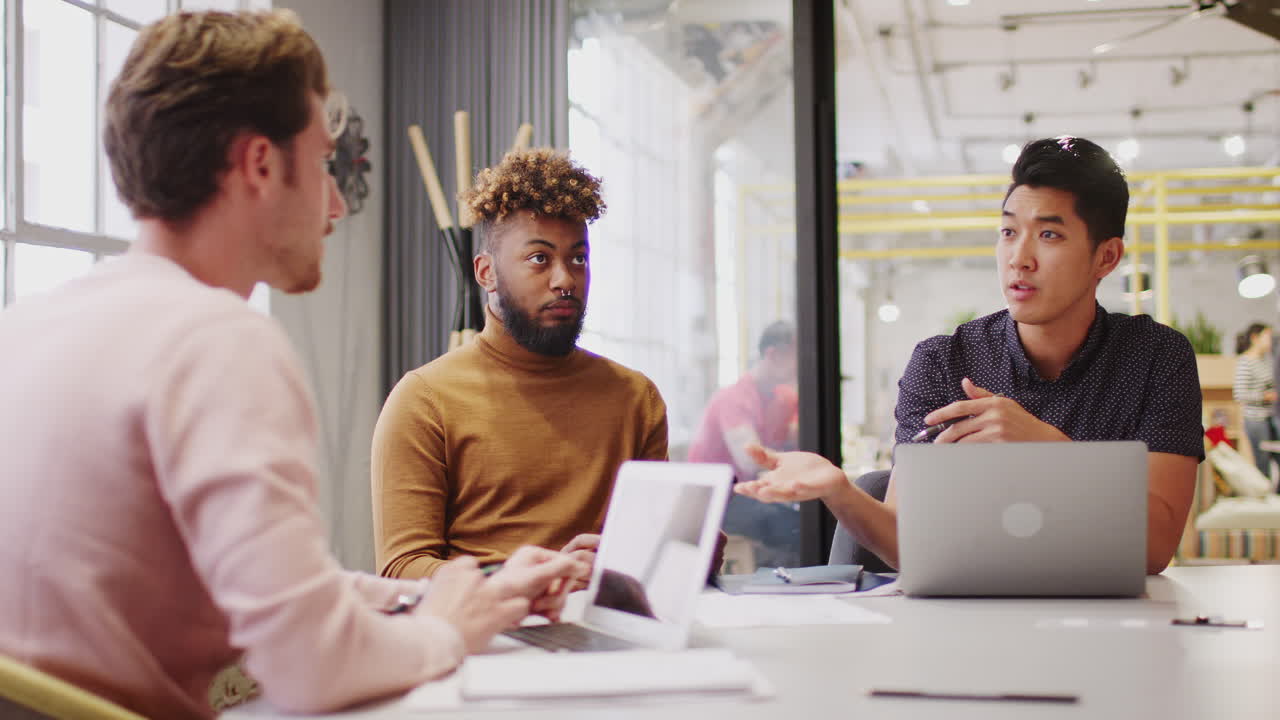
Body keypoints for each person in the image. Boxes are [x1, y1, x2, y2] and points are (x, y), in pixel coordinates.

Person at [0, 11, 581, 719]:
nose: (336, 203)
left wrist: (454, 594)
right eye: (324, 164)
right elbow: (313, 668)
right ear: (261, 166)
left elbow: (278, 594)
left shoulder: (29, 324)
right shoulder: (216, 341)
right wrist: (443, 634)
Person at [735, 136, 1204, 576]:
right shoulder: (945, 362)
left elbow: (1155, 547)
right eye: (1008, 232)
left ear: (1106, 257)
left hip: (1109, 628)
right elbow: (907, 542)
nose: (1019, 258)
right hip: (965, 624)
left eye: (1050, 236)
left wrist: (1042, 447)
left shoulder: (1156, 358)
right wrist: (840, 491)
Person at [371, 149, 669, 584]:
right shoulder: (424, 400)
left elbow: (653, 553)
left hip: (609, 632)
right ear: (486, 272)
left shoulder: (635, 398)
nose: (565, 279)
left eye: (578, 259)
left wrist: (684, 550)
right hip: (488, 639)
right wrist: (527, 578)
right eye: (539, 259)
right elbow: (402, 568)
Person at [688, 321, 799, 566]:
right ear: (774, 355)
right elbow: (750, 461)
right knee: (800, 529)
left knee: (809, 518)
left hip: (746, 493)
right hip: (717, 499)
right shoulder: (734, 398)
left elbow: (799, 439)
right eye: (797, 355)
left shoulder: (781, 396)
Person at [1234, 322, 1277, 481]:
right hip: (1255, 419)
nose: (1271, 341)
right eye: (1267, 337)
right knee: (1262, 461)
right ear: (1255, 338)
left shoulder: (1265, 360)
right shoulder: (1246, 361)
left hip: (1269, 417)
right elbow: (1239, 394)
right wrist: (1265, 396)